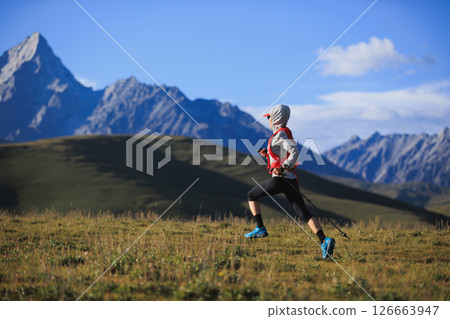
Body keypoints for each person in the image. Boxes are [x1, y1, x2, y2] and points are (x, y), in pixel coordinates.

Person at [245, 104, 335, 259]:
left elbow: (294, 153)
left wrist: (283, 167)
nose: (268, 120)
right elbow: (284, 154)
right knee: (303, 212)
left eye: (269, 117)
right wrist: (268, 155)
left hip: (281, 179)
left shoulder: (280, 135)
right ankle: (324, 240)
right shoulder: (282, 134)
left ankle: (260, 228)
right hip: (291, 180)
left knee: (251, 195)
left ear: (276, 118)